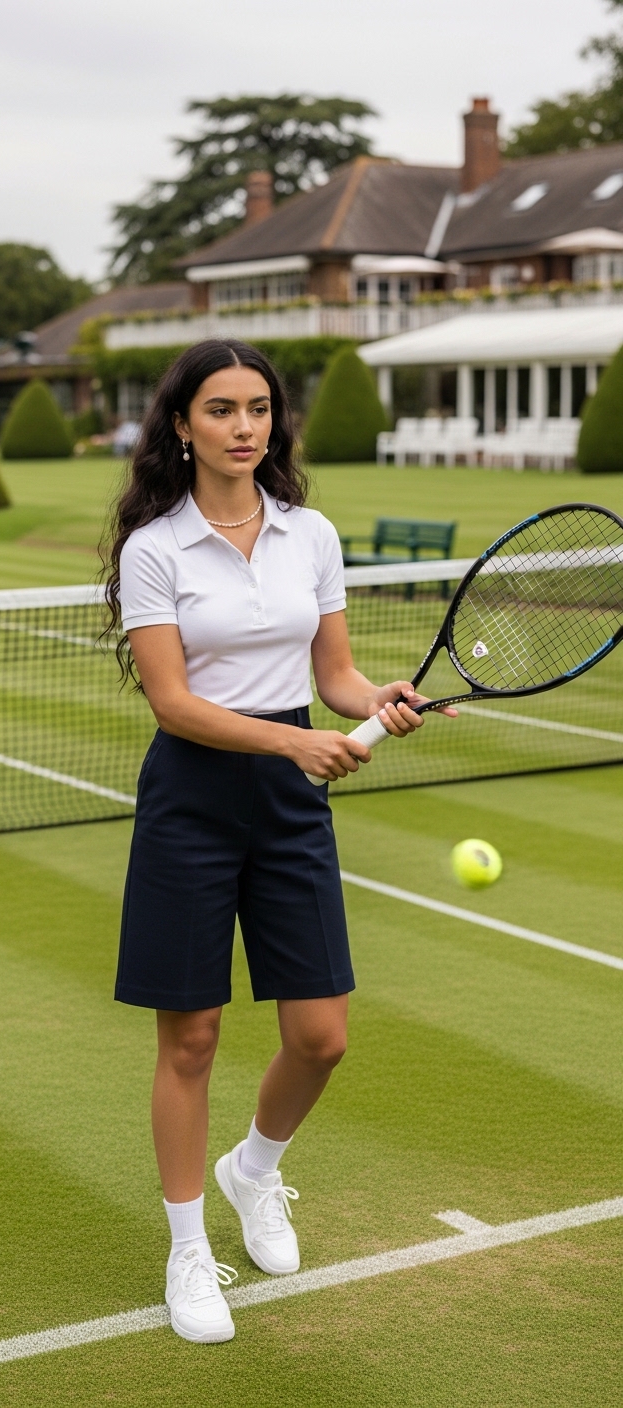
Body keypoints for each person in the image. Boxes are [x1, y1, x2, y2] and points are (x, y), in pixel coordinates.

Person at [103, 339, 440, 1345]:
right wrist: (295, 740)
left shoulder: (311, 534)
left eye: (258, 408)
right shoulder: (154, 548)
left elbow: (333, 673)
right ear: (181, 426)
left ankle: (252, 1171)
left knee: (321, 1034)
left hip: (290, 806)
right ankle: (186, 1249)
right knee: (192, 1036)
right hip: (193, 799)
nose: (244, 426)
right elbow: (173, 704)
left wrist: (373, 697)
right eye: (220, 409)